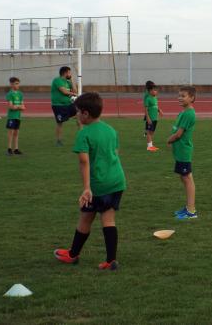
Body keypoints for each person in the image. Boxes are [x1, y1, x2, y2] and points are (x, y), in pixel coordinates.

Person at [54, 92, 126, 270]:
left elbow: (84, 161)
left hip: (98, 185)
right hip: (116, 181)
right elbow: (115, 154)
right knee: (107, 218)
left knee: (85, 218)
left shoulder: (84, 134)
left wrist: (87, 188)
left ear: (85, 114)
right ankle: (111, 260)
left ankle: (73, 255)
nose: (76, 115)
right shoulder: (110, 130)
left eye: (77, 112)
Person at [167, 86, 198, 220]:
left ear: (191, 98)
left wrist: (169, 140)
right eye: (179, 95)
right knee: (183, 177)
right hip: (180, 151)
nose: (180, 98)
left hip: (184, 151)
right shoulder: (183, 112)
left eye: (183, 95)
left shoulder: (188, 113)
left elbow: (179, 134)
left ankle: (191, 211)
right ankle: (188, 207)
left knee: (187, 178)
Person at [51, 66, 79, 146]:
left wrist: (72, 80)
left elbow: (75, 90)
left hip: (68, 104)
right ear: (65, 73)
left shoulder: (67, 82)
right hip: (58, 106)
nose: (70, 74)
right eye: (69, 72)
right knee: (60, 123)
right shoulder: (57, 80)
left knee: (79, 115)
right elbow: (64, 92)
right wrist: (74, 94)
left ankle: (82, 137)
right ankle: (59, 141)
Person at [5, 77, 25, 155]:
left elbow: (23, 107)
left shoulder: (20, 94)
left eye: (18, 83)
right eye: (16, 83)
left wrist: (17, 106)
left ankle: (16, 149)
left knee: (16, 133)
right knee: (11, 132)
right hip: (11, 116)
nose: (18, 85)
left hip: (18, 116)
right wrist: (18, 106)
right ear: (11, 84)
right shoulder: (9, 94)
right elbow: (11, 107)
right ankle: (9, 149)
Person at [144, 83, 163, 151]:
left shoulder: (155, 98)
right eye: (154, 90)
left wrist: (159, 110)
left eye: (156, 90)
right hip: (150, 118)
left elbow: (156, 106)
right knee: (149, 132)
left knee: (152, 132)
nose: (156, 91)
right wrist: (148, 118)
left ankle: (151, 145)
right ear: (150, 91)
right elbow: (146, 109)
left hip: (155, 118)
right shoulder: (148, 99)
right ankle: (149, 146)